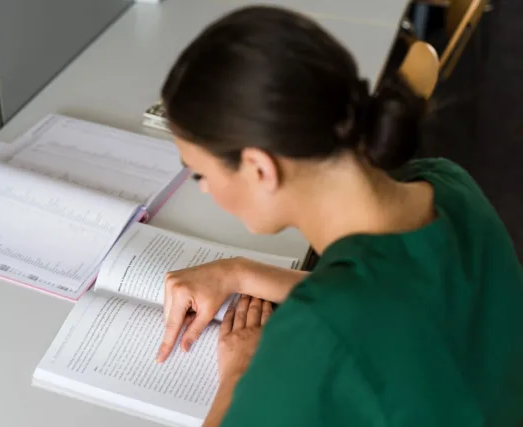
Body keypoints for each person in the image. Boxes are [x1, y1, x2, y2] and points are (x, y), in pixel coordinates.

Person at [155, 5, 523, 427]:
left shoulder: (316, 333)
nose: (203, 188)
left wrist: (240, 372)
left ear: (260, 168)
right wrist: (238, 272)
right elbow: (390, 297)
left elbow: (349, 315)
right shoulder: (447, 184)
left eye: (200, 173)